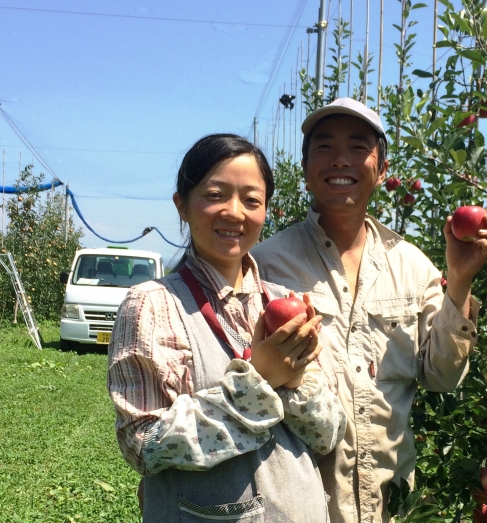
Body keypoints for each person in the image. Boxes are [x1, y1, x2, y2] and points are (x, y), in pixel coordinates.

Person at [252, 98, 487, 523]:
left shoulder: (412, 265)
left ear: (382, 169)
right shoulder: (266, 265)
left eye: (358, 146)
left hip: (392, 502)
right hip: (299, 503)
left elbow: (441, 377)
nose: (341, 160)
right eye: (325, 147)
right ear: (306, 168)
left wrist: (458, 283)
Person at [107, 133, 347, 522]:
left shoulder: (287, 302)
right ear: (181, 205)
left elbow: (330, 432)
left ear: (266, 210)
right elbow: (144, 444)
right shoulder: (152, 305)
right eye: (215, 194)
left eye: (252, 200)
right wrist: (260, 381)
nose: (235, 212)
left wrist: (293, 383)